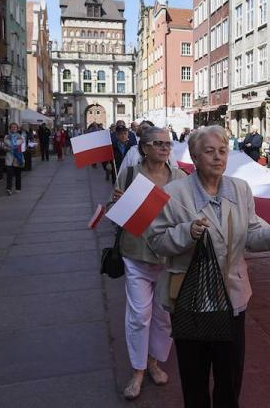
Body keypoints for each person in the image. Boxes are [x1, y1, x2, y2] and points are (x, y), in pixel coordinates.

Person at [147, 125, 270, 408]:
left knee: (230, 379)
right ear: (194, 156)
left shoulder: (240, 189)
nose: (218, 157)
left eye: (223, 151)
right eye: (209, 151)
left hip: (231, 300)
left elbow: (252, 231)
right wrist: (186, 232)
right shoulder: (173, 193)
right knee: (194, 380)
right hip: (190, 302)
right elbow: (156, 242)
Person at [110, 127, 187, 400]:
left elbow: (188, 213)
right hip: (136, 252)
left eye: (169, 144)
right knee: (139, 316)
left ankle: (154, 361)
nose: (165, 148)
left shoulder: (179, 178)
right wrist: (117, 201)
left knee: (163, 316)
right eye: (158, 143)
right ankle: (138, 370)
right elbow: (116, 209)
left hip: (168, 257)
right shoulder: (130, 173)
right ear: (143, 147)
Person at [4, 123, 26, 196]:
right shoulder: (6, 137)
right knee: (9, 174)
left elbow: (17, 145)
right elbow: (5, 147)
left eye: (15, 127)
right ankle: (8, 188)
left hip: (17, 158)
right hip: (9, 158)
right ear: (10, 129)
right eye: (12, 127)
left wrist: (11, 147)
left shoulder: (21, 137)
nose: (13, 129)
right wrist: (8, 148)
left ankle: (18, 188)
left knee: (17, 174)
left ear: (17, 129)